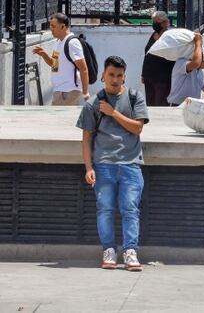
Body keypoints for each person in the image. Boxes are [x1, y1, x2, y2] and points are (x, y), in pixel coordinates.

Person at [76, 55, 149, 271]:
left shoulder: (135, 97)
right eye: (111, 75)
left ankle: (130, 251)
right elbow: (87, 137)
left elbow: (137, 128)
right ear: (103, 76)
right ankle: (109, 250)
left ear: (124, 76)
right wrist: (88, 167)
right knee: (105, 209)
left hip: (130, 164)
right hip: (104, 164)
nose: (115, 79)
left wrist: (113, 112)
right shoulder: (93, 103)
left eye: (119, 75)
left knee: (130, 209)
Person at [33, 12, 89, 106]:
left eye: (53, 26)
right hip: (60, 91)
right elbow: (54, 65)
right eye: (50, 26)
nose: (51, 29)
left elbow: (83, 69)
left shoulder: (72, 43)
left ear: (63, 26)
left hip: (68, 91)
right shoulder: (58, 42)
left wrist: (85, 92)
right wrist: (44, 55)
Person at [167, 32, 204, 106]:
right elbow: (196, 63)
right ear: (201, 54)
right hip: (177, 105)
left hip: (192, 106)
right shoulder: (182, 63)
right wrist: (198, 43)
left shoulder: (201, 72)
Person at [141, 12, 175, 107]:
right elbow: (147, 54)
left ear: (165, 23)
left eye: (157, 21)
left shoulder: (169, 37)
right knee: (150, 104)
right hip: (149, 77)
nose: (154, 24)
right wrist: (144, 74)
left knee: (160, 104)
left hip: (162, 78)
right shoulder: (154, 35)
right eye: (154, 21)